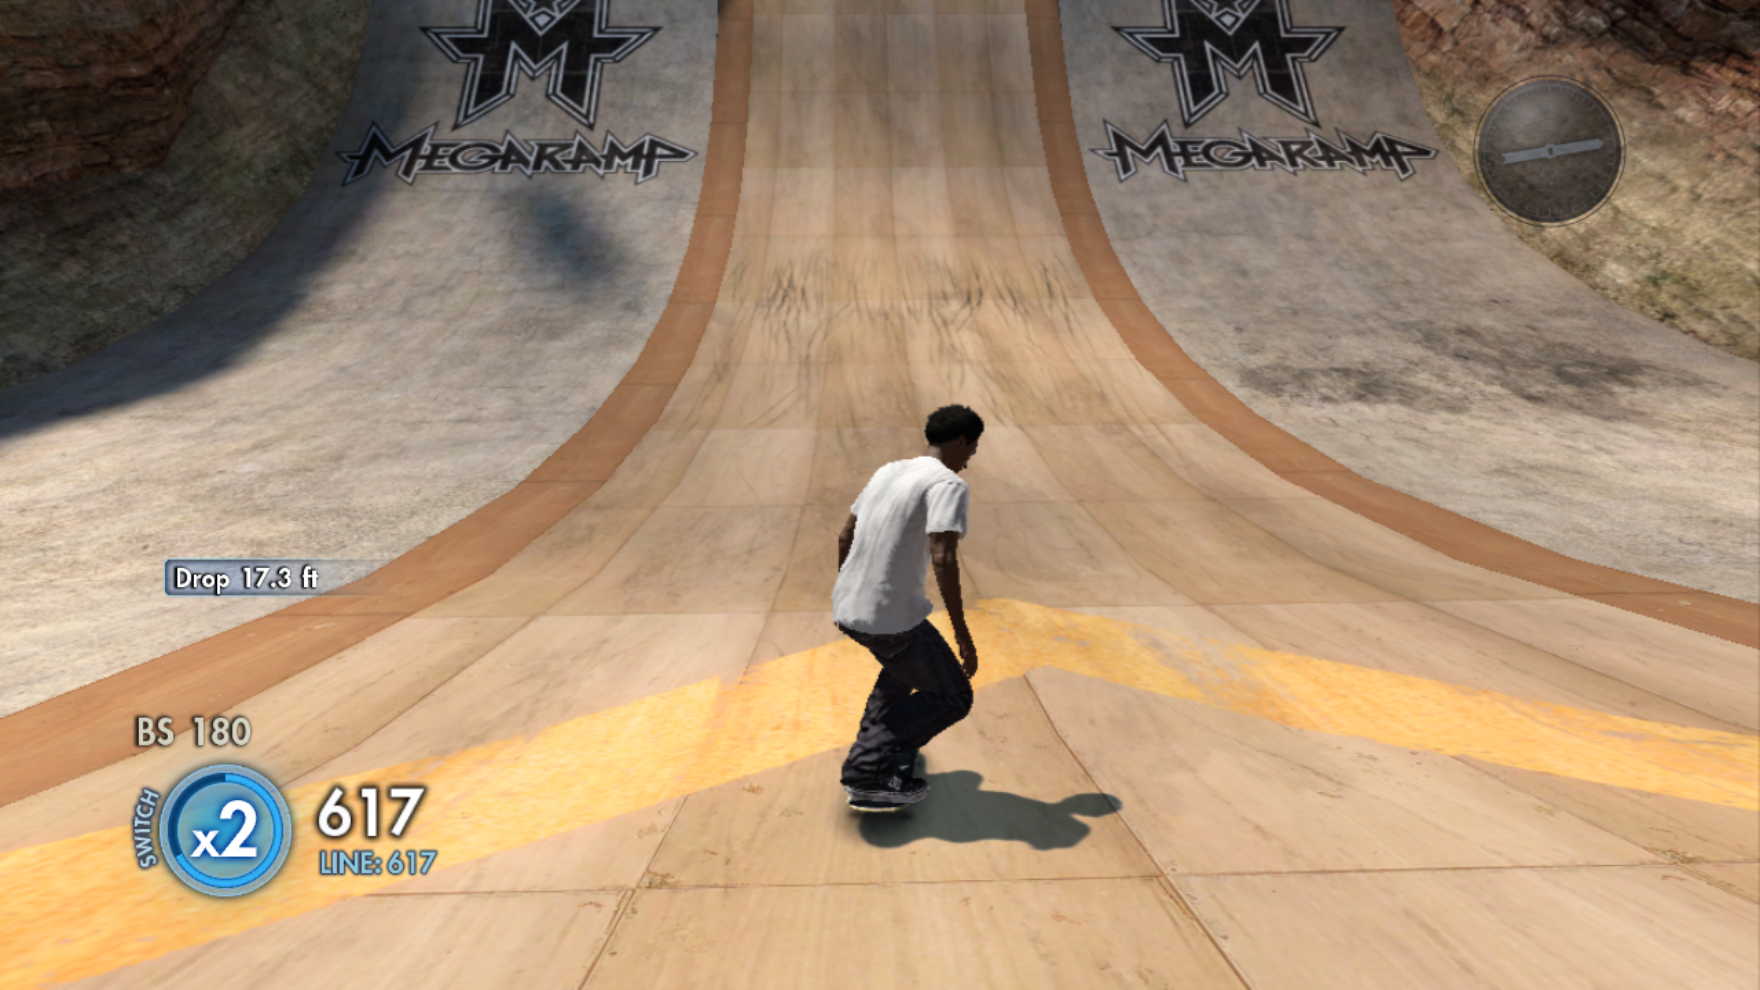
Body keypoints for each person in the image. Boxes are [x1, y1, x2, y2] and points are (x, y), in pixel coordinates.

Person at [833, 404, 984, 809]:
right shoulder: (947, 484)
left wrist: (849, 590)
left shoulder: (889, 471)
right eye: (972, 449)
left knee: (900, 674)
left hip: (848, 606)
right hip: (891, 618)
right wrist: (962, 634)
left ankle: (881, 756)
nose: (969, 460)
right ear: (961, 440)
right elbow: (943, 557)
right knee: (952, 696)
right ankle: (867, 772)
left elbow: (845, 535)